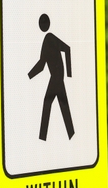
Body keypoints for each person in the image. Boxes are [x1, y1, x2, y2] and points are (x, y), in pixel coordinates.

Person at [28, 13, 75, 141]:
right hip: (56, 77)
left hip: (56, 77)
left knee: (47, 102)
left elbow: (67, 49)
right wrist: (29, 76)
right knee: (62, 103)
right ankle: (71, 134)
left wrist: (69, 73)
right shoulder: (46, 41)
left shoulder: (49, 38)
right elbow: (42, 64)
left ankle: (42, 137)